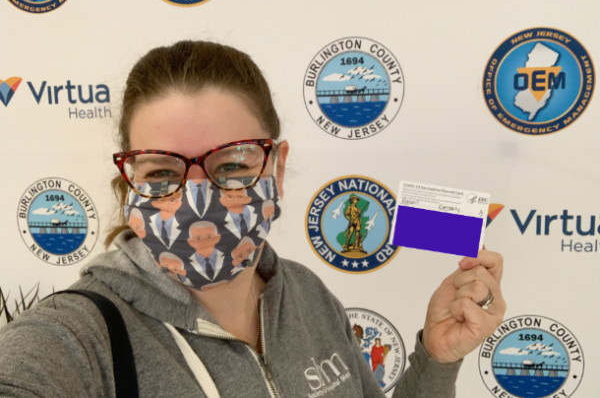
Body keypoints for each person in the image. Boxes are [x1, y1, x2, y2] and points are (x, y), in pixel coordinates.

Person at [0, 40, 506, 397]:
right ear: (133, 180)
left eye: (232, 165)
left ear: (276, 167)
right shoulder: (80, 337)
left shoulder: (307, 297)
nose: (198, 198)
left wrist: (437, 360)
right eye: (162, 171)